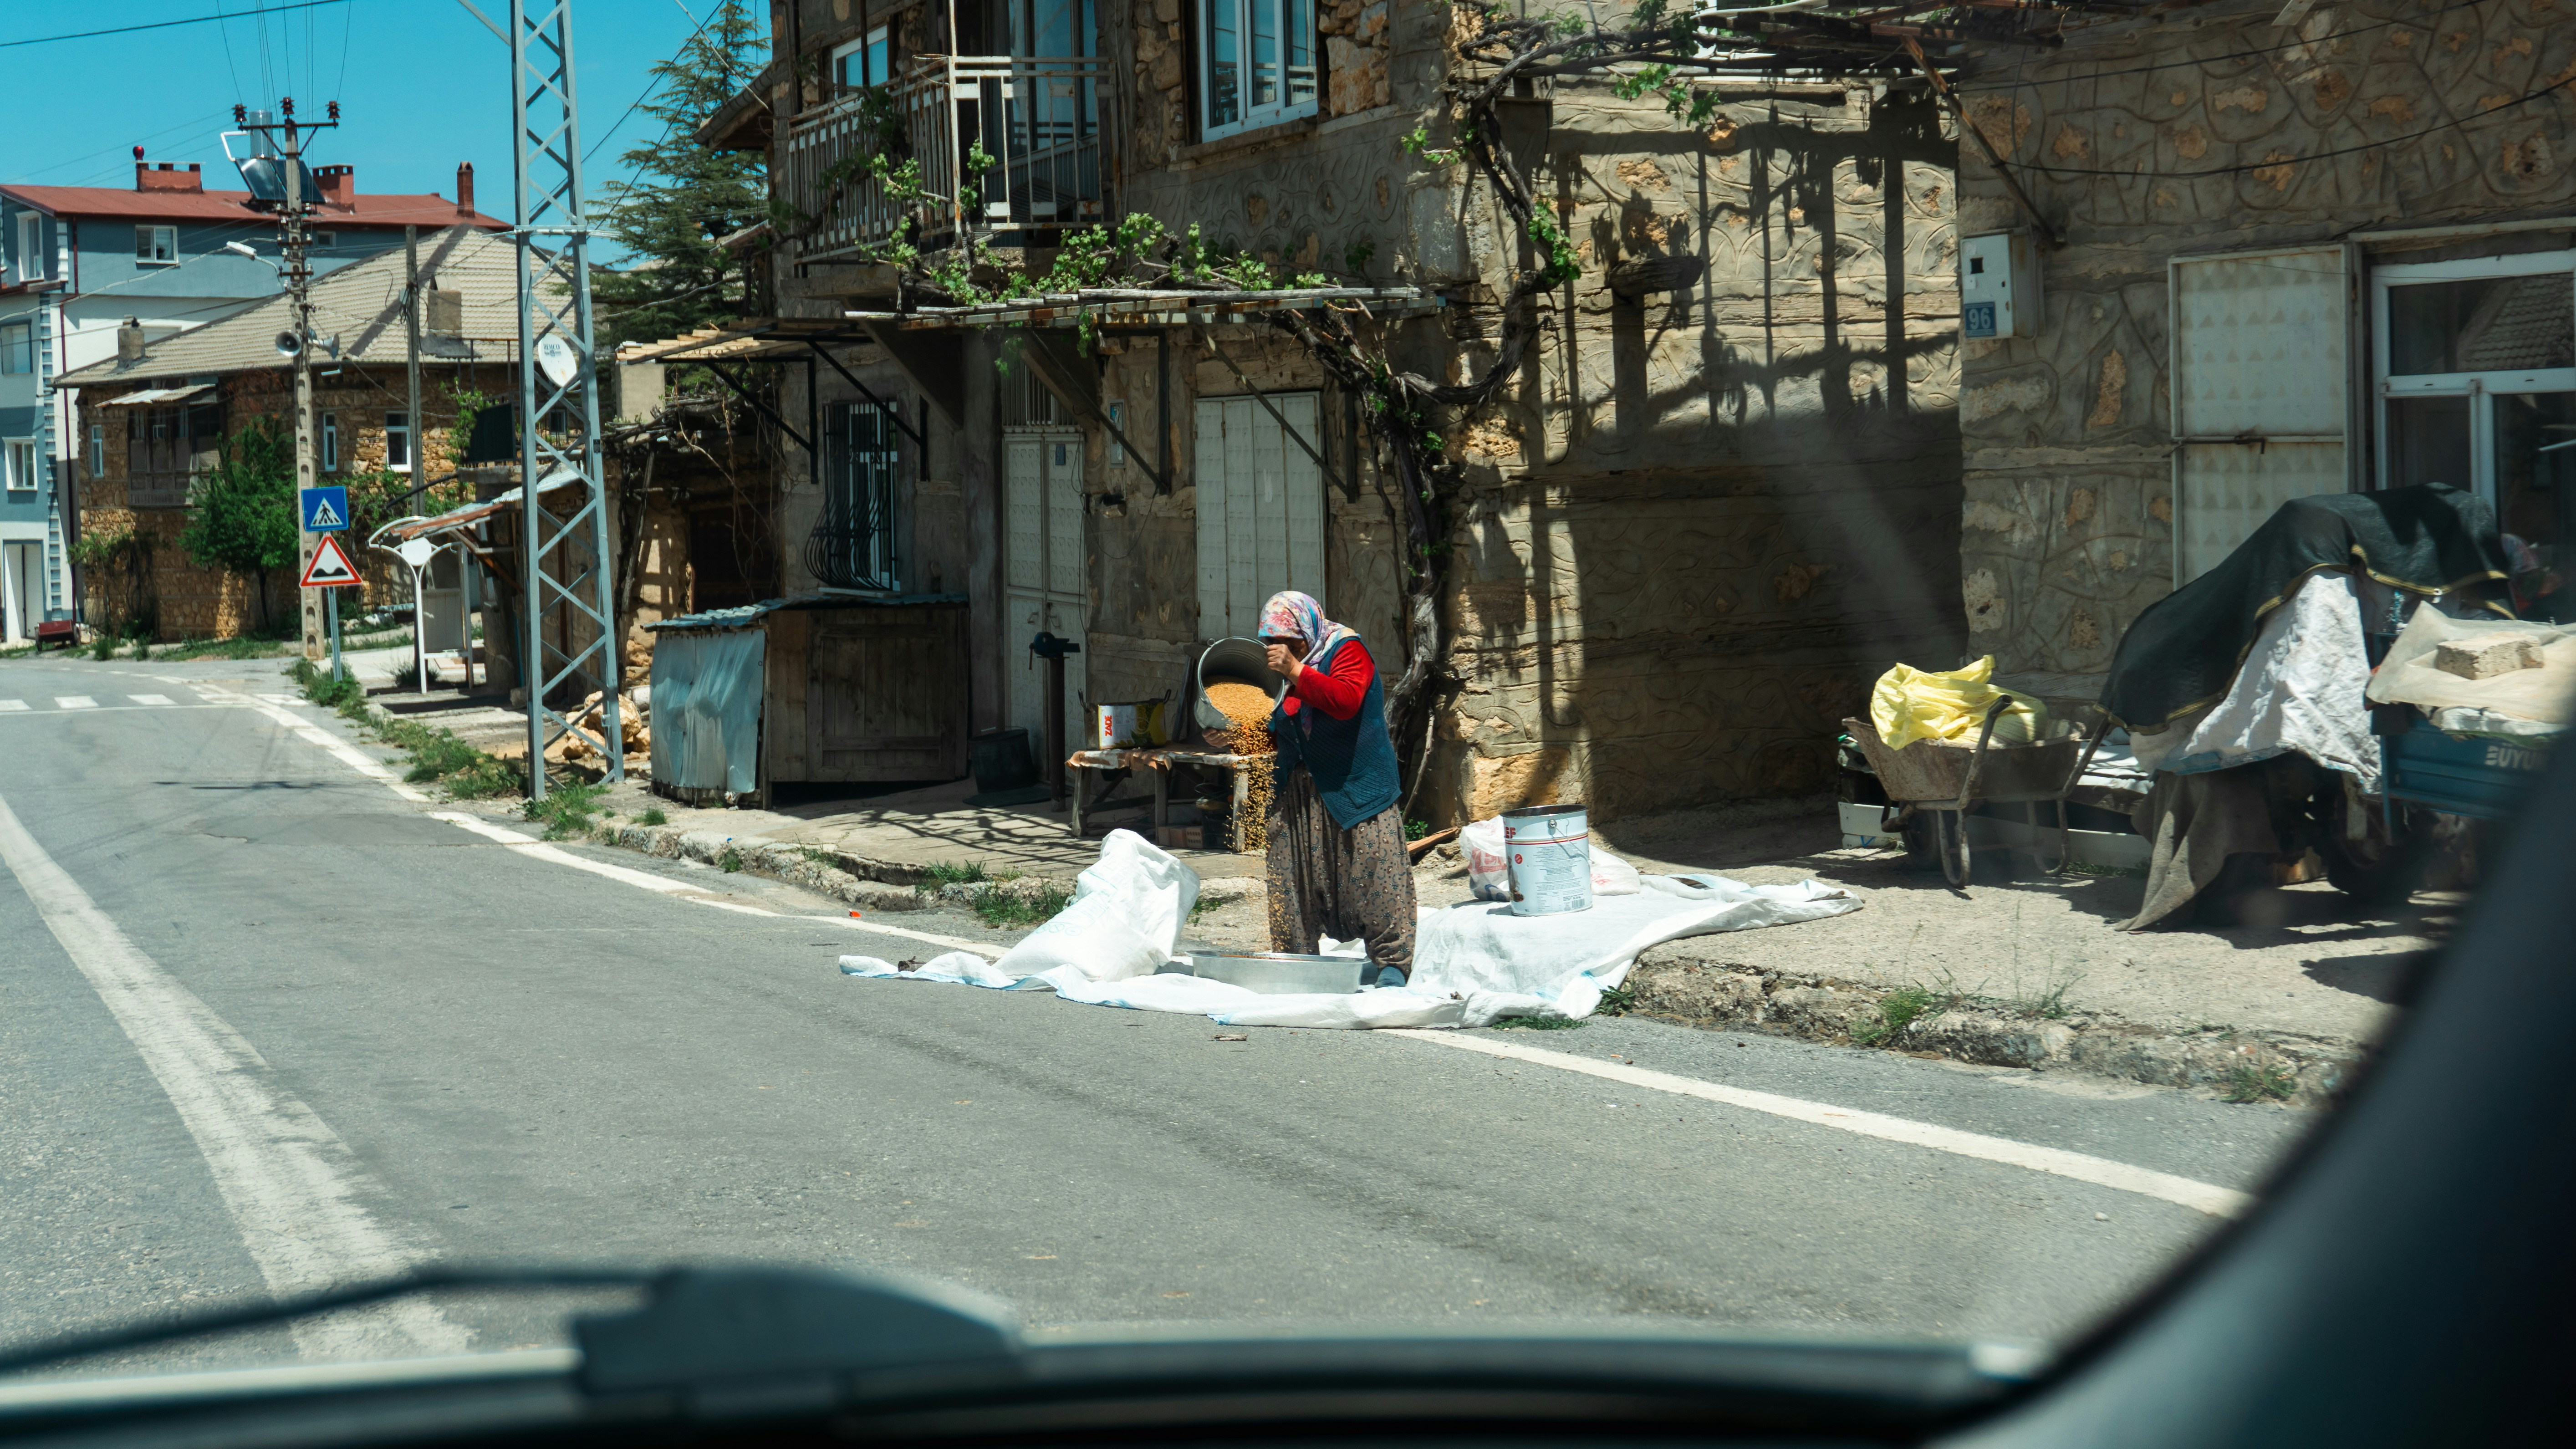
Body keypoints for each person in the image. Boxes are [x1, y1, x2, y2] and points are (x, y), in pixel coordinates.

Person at [1256, 591, 1416, 988]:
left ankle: (1391, 965)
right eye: (1269, 642)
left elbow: (1345, 701)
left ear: (1306, 633)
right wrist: (1231, 734)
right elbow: (1276, 729)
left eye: (1287, 642)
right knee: (1291, 878)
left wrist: (1295, 671)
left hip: (1355, 786)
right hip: (1298, 792)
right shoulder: (1279, 670)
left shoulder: (1345, 650)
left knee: (1376, 874)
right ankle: (1297, 964)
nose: (1277, 650)